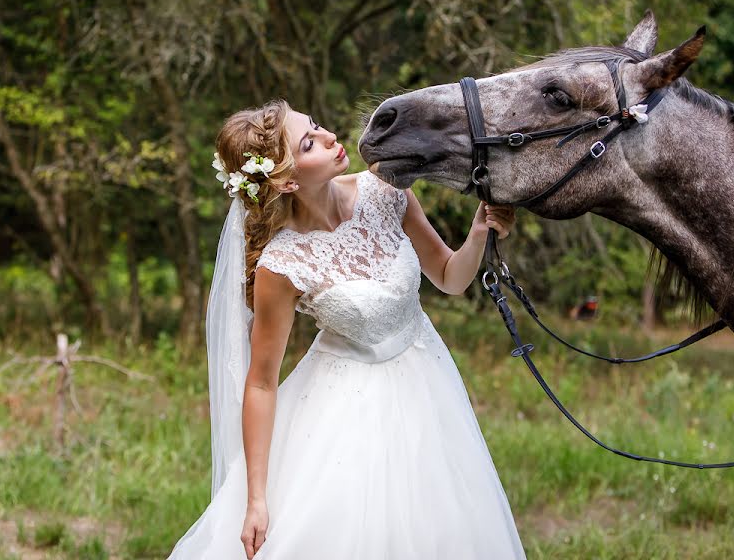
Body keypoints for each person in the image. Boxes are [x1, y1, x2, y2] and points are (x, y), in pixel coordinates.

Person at [167, 99, 526, 559]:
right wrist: (257, 498)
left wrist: (478, 234)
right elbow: (260, 383)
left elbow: (451, 278)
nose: (331, 136)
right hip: (348, 412)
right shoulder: (282, 264)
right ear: (288, 180)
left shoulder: (387, 191)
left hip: (427, 386)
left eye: (316, 124)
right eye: (310, 142)